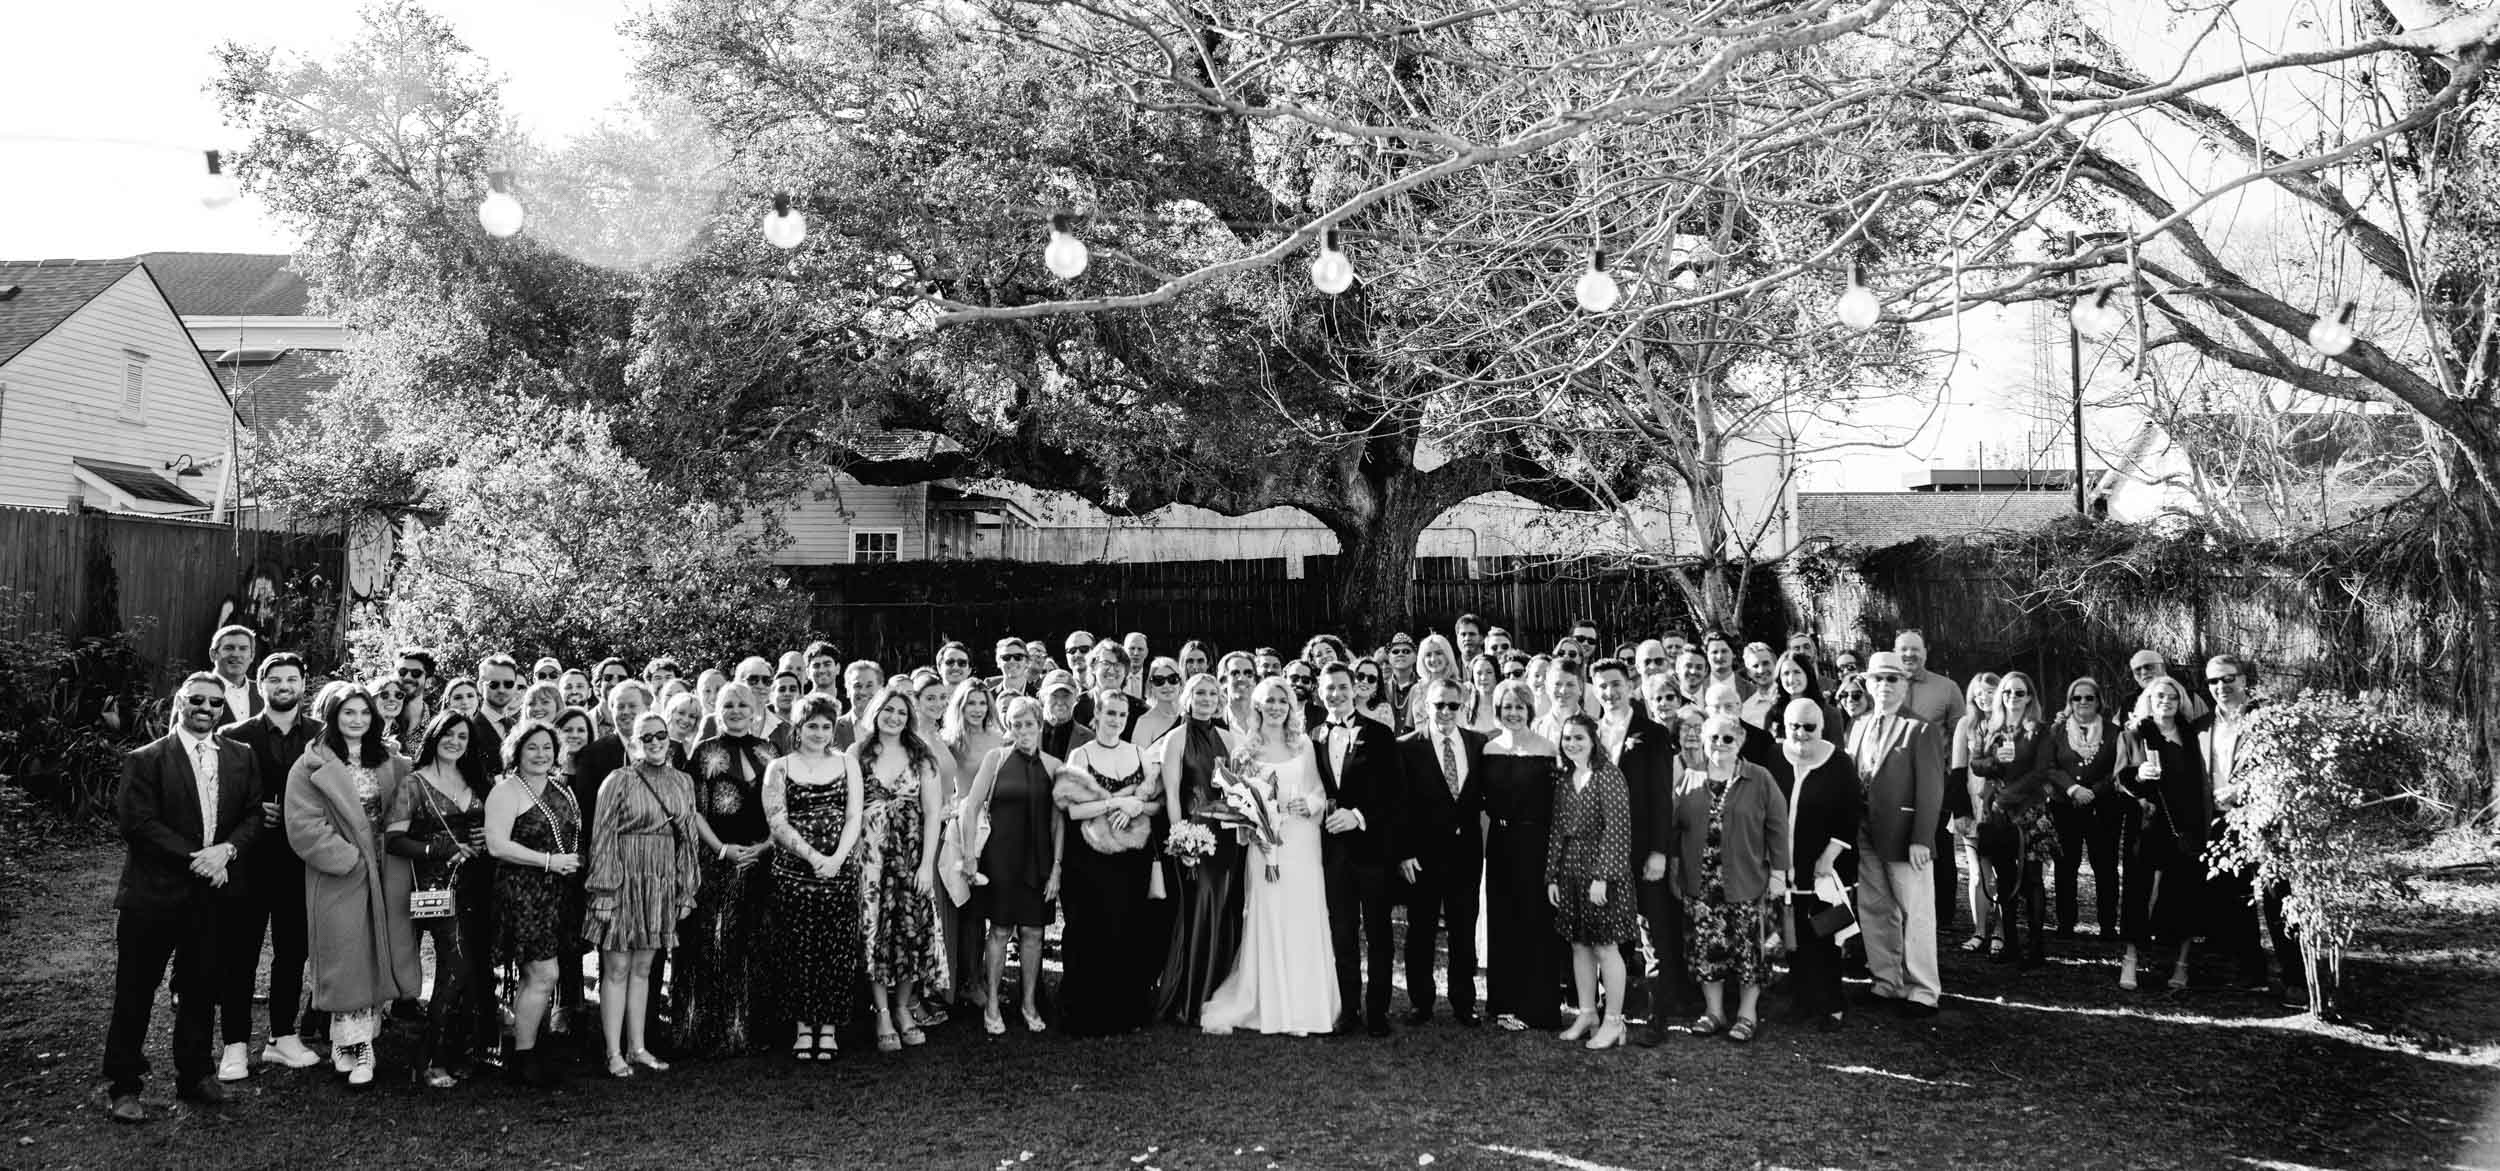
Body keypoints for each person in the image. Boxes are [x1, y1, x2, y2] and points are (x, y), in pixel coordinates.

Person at [102, 673, 263, 1123]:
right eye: (197, 700)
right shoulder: (146, 759)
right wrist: (199, 858)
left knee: (201, 988)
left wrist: (227, 851)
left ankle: (195, 1075)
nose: (206, 708)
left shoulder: (240, 756)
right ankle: (124, 1085)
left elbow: (253, 814)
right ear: (181, 702)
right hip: (153, 896)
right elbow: (137, 823)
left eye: (215, 702)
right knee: (135, 992)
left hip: (214, 898)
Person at [285, 684, 421, 1087]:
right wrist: (349, 860)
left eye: (364, 713)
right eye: (348, 713)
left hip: (387, 866)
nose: (357, 720)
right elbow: (303, 825)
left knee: (382, 947)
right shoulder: (310, 766)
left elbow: (414, 802)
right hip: (342, 871)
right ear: (333, 717)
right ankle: (358, 1044)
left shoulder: (392, 762)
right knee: (346, 952)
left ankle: (355, 1041)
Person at [1200, 679, 1339, 1036]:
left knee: (1303, 916)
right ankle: (1271, 1004)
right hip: (1265, 847)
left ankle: (1306, 1005)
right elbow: (1237, 802)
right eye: (1269, 701)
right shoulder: (1246, 750)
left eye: (1282, 700)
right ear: (1258, 707)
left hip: (1302, 841)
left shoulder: (1304, 744)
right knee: (1271, 914)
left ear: (1291, 706)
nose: (1276, 707)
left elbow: (1319, 793)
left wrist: (1308, 804)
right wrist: (1253, 822)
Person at [218, 652, 324, 1078]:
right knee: (240, 953)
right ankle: (235, 1044)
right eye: (275, 679)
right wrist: (248, 812)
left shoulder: (322, 735)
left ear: (303, 684)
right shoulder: (233, 734)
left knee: (292, 951)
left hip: (300, 861)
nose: (284, 686)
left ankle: (283, 1035)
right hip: (247, 859)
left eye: (292, 679)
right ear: (260, 686)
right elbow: (215, 798)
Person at [584, 711, 702, 1079]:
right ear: (634, 741)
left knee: (644, 968)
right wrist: (603, 889)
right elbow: (601, 838)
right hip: (622, 878)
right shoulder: (617, 781)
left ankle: (638, 1047)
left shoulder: (682, 782)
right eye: (646, 737)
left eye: (660, 735)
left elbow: (689, 840)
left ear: (670, 739)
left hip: (661, 880)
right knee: (616, 967)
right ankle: (613, 1052)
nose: (654, 742)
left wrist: (686, 888)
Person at [383, 711, 497, 1087]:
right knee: (456, 967)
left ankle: (463, 1050)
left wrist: (480, 841)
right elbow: (394, 839)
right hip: (435, 889)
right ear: (434, 735)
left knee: (470, 970)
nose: (454, 741)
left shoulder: (474, 779)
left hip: (477, 886)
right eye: (448, 734)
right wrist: (437, 847)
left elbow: (485, 826)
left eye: (462, 736)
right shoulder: (413, 784)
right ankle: (431, 1060)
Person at [1669, 714, 1791, 1043]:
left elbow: (1779, 827)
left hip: (1747, 881)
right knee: (1707, 948)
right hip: (1701, 884)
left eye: (1728, 738)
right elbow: (1675, 828)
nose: (1720, 745)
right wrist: (1675, 870)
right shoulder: (1690, 778)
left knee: (1751, 950)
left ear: (1740, 741)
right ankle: (1714, 1011)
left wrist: (1779, 873)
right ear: (1704, 742)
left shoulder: (1759, 778)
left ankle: (1747, 1014)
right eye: (1713, 738)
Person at [673, 682, 777, 1058]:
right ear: (717, 709)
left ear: (754, 711)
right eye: (727, 704)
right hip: (718, 861)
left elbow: (782, 807)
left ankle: (754, 1031)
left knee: (756, 944)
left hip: (763, 859)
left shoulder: (769, 751)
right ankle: (710, 1032)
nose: (735, 710)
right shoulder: (704, 752)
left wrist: (765, 845)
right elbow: (693, 809)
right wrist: (722, 850)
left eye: (742, 705)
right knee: (715, 944)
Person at [1055, 689, 1160, 1036]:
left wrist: (1137, 806)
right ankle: (1087, 1013)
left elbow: (1156, 805)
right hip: (1090, 857)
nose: (1115, 720)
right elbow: (1072, 809)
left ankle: (1126, 1011)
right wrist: (1115, 804)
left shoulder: (1140, 754)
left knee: (1129, 927)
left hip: (1132, 857)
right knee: (1089, 928)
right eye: (1109, 713)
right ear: (1096, 716)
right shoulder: (1081, 754)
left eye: (1121, 715)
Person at [958, 696, 1066, 1035]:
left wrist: (1058, 867)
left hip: (1039, 862)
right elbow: (971, 806)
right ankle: (992, 1003)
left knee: (1034, 933)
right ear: (1009, 726)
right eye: (1016, 724)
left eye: (1028, 724)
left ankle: (1029, 1002)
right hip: (1000, 860)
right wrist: (970, 856)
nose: (1022, 730)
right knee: (1000, 931)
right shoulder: (996, 758)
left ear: (1039, 725)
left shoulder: (1053, 765)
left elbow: (1059, 821)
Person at [766, 696, 867, 1060]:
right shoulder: (779, 766)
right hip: (793, 873)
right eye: (812, 726)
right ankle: (802, 1028)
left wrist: (836, 859)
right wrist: (812, 857)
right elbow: (777, 821)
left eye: (826, 726)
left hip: (838, 873)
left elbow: (854, 815)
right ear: (798, 727)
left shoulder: (846, 763)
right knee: (798, 949)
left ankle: (829, 1027)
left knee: (835, 950)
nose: (820, 733)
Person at [485, 720, 583, 1088]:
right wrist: (549, 862)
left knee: (538, 975)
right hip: (523, 892)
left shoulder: (562, 789)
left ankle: (529, 1048)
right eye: (532, 748)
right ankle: (521, 1056)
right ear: (516, 751)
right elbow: (497, 845)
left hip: (558, 893)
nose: (541, 754)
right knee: (543, 974)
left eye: (547, 747)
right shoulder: (507, 790)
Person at [1848, 652, 1945, 1018]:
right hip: (1864, 834)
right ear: (1868, 684)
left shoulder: (1920, 729)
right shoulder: (1857, 725)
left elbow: (1932, 788)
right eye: (1878, 679)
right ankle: (1886, 981)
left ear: (1904, 684)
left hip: (1906, 837)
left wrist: (1923, 838)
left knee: (1916, 912)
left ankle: (1923, 989)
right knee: (1875, 908)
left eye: (1892, 679)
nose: (1885, 686)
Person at [2201, 655, 2302, 1002]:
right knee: (2234, 901)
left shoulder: (2267, 719)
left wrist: (2242, 792)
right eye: (2214, 681)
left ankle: (2295, 977)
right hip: (2221, 825)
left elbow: (2283, 770)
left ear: (2243, 680)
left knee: (2277, 896)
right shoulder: (2202, 726)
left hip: (2264, 820)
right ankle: (2251, 972)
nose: (2221, 687)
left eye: (2228, 679)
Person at [854, 683, 949, 1051]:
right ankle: (880, 1012)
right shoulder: (857, 754)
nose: (894, 717)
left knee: (909, 932)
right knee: (875, 933)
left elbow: (933, 814)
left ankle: (903, 1007)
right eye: (888, 710)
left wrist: (926, 865)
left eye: (901, 713)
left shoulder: (921, 757)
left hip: (910, 857)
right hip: (870, 859)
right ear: (875, 712)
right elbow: (850, 812)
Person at [1310, 662, 1403, 1036]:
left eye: (1343, 686)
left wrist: (1359, 816)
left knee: (1378, 932)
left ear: (1355, 689)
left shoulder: (1380, 734)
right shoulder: (1312, 736)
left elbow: (1395, 794)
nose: (1336, 693)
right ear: (1319, 692)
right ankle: (1349, 1009)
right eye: (1329, 688)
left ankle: (1378, 1012)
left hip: (1372, 849)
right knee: (1342, 931)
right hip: (1332, 853)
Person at [1591, 658, 1680, 1043]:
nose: (1609, 693)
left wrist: (1659, 851)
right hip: (1602, 850)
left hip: (1643, 849)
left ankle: (1658, 1014)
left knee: (1653, 932)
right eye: (1602, 687)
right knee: (1610, 931)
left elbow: (1663, 798)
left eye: (1615, 684)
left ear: (1631, 686)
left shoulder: (1653, 733)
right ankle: (1615, 1008)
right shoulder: (1589, 732)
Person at [1397, 679, 1489, 1026]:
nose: (1446, 712)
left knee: (1463, 931)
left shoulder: (1478, 744)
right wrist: (1404, 853)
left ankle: (1464, 1003)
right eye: (1439, 705)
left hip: (1466, 853)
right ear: (1426, 706)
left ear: (1463, 705)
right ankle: (1421, 1002)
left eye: (1453, 705)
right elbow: (1399, 805)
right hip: (1422, 855)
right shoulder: (1407, 747)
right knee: (1420, 931)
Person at [1155, 673, 1245, 1025]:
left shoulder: (1229, 737)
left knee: (1226, 910)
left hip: (1226, 837)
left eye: (1212, 693)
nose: (1206, 698)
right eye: (1199, 693)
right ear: (1187, 699)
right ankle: (1191, 1000)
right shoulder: (1175, 739)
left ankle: (1219, 994)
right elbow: (1173, 792)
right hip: (1195, 837)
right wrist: (1181, 840)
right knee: (1200, 911)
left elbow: (1238, 790)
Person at [1479, 679, 1562, 1032]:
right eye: (1507, 707)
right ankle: (1504, 1004)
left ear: (1529, 709)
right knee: (1503, 920)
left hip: (1536, 843)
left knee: (1536, 921)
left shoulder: (1547, 749)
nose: (1513, 713)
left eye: (1519, 706)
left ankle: (1538, 1007)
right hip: (1500, 842)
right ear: (1498, 711)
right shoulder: (1488, 749)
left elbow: (1556, 806)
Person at [1773, 698, 1860, 1032]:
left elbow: (1849, 814)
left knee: (1824, 935)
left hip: (1823, 868)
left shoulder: (1839, 763)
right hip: (1785, 866)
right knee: (1794, 938)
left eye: (1809, 727)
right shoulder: (1775, 758)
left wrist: (1829, 858)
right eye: (1794, 725)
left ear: (1822, 728)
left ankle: (1831, 1004)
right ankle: (1802, 1000)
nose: (1801, 733)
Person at [1548, 714, 1634, 1050]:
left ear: (1594, 741)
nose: (1572, 744)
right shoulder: (1566, 777)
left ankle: (1614, 1020)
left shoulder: (1608, 775)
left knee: (1605, 945)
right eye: (1567, 738)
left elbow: (1617, 828)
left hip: (1602, 872)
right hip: (1569, 870)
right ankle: (1587, 1013)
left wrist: (1603, 876)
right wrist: (1553, 875)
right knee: (1579, 944)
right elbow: (1557, 830)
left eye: (1579, 738)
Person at [2116, 675, 2207, 993]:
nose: (2165, 702)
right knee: (2137, 892)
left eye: (2171, 697)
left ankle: (2181, 964)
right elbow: (2120, 779)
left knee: (2185, 891)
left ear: (2180, 700)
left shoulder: (2192, 734)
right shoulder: (2135, 734)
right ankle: (2130, 959)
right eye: (2158, 697)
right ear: (2148, 701)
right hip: (2148, 822)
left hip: (2186, 825)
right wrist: (2138, 775)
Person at [1968, 671, 2056, 968]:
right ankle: (2011, 945)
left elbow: (2042, 771)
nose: (2012, 698)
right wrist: (1995, 762)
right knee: (2005, 879)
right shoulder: (1989, 728)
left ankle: (2036, 946)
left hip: (2030, 812)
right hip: (1998, 814)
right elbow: (1976, 764)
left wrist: (2010, 796)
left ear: (2029, 696)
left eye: (2019, 693)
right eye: (2007, 692)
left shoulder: (2040, 731)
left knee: (2032, 879)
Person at [2041, 676, 2122, 939]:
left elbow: (2116, 770)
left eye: (2089, 697)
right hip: (2065, 806)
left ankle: (2108, 926)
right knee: (2065, 865)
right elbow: (2049, 767)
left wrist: (2093, 792)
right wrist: (2073, 789)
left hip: (2103, 807)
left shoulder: (2113, 732)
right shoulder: (2057, 731)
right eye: (2077, 698)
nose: (2083, 702)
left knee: (2105, 866)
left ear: (2099, 701)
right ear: (2070, 702)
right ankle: (2065, 924)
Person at [1948, 672, 2001, 952]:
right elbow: (1957, 771)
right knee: (1979, 873)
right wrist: (1961, 811)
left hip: (2003, 805)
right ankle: (1980, 931)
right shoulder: (1966, 725)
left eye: (1990, 691)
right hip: (1972, 803)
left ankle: (2001, 933)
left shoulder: (2010, 723)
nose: (1983, 697)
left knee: (2002, 872)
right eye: (1978, 693)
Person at [1404, 635, 1464, 728]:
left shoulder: (1460, 688)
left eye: (1439, 653)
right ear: (1422, 660)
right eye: (1428, 655)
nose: (1433, 659)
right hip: (1420, 741)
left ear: (1447, 656)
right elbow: (1409, 726)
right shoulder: (1415, 689)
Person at [208, 625, 263, 725]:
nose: (236, 654)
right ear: (213, 654)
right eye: (229, 648)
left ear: (252, 656)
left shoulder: (263, 693)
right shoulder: (194, 690)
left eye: (243, 649)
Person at [1130, 657, 1187, 754]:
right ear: (1151, 687)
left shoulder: (1190, 715)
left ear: (1180, 683)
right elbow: (1137, 763)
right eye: (1159, 681)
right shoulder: (1145, 722)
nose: (1166, 685)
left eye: (1172, 679)